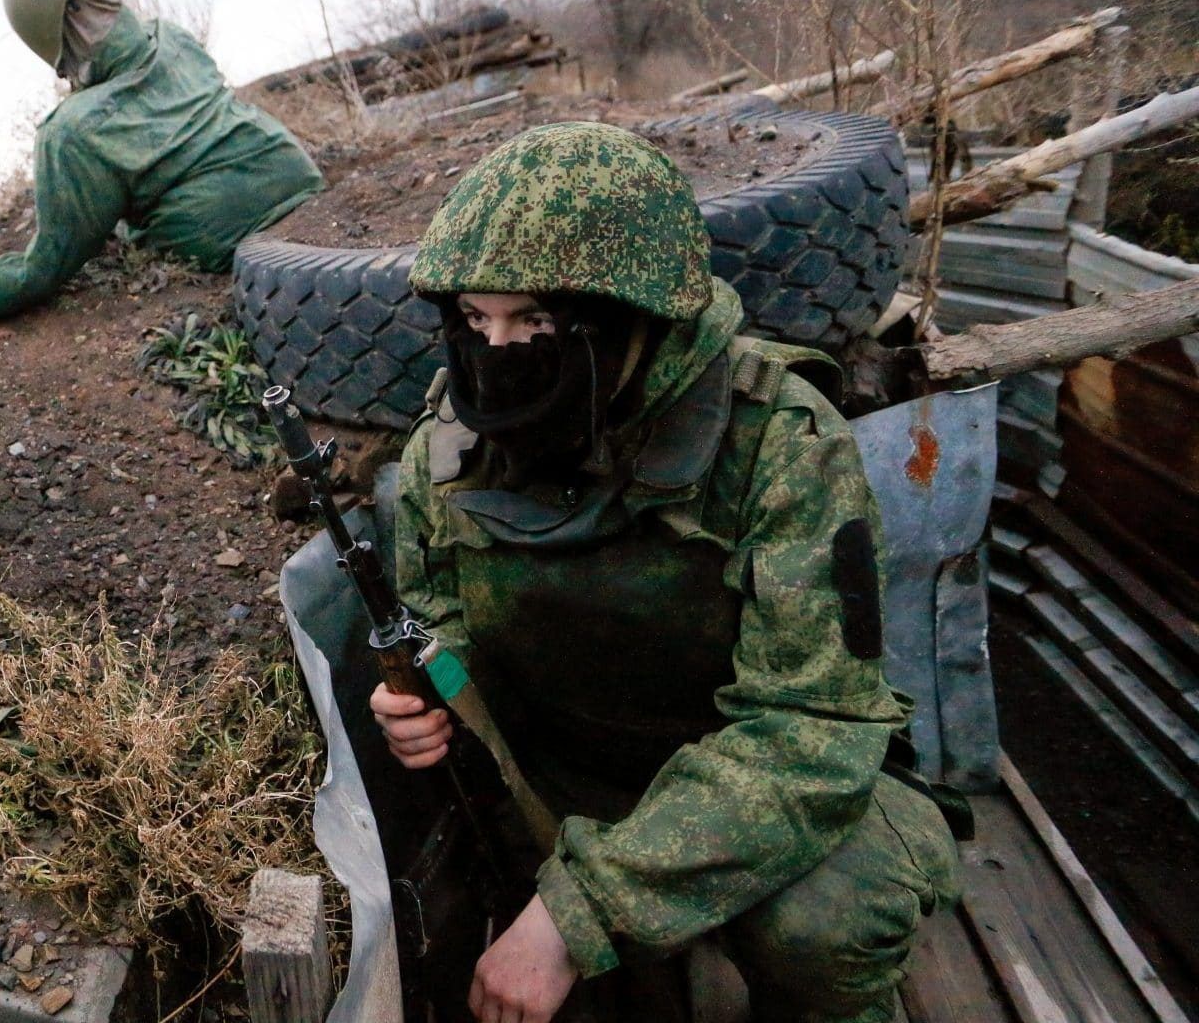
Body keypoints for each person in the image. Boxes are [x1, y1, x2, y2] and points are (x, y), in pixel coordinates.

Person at [371, 121, 962, 1022]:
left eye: (534, 319)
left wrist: (577, 912)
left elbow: (813, 726)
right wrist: (425, 695)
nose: (498, 355)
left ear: (640, 317)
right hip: (566, 772)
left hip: (771, 777)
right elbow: (438, 618)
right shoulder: (448, 451)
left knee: (827, 927)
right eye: (476, 320)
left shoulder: (778, 443)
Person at [0, 0, 323, 323]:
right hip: (295, 172)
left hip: (225, 229)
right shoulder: (172, 37)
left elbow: (43, 270)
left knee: (128, 233)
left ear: (57, 32)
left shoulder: (71, 132)